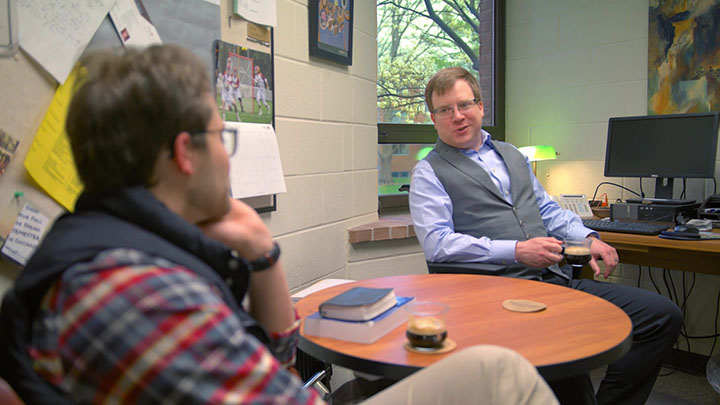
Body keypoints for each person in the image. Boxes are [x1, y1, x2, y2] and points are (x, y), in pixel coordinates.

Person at [0, 45, 557, 404]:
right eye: (223, 135)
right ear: (186, 154)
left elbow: (276, 367)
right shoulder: (139, 295)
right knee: (500, 376)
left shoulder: (124, 253)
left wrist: (263, 257)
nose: (229, 154)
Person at [409, 67, 683, 405]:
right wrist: (517, 250)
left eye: (464, 105)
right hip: (496, 295)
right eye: (445, 110)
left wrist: (589, 237)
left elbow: (548, 211)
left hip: (553, 282)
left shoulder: (512, 155)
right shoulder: (429, 171)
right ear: (433, 119)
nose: (457, 116)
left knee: (661, 316)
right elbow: (438, 245)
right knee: (569, 375)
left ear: (480, 107)